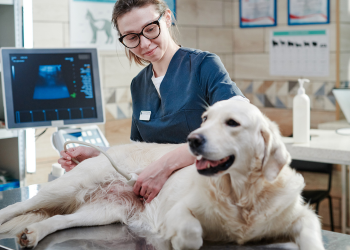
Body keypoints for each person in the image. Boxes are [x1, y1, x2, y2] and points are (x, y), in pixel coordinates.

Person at [58, 0, 247, 203]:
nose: (144, 43)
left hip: (211, 195)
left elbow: (240, 126)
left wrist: (165, 166)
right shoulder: (139, 84)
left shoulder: (204, 66)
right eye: (132, 37)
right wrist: (99, 155)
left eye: (150, 29)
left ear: (166, 18)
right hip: (160, 201)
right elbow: (138, 152)